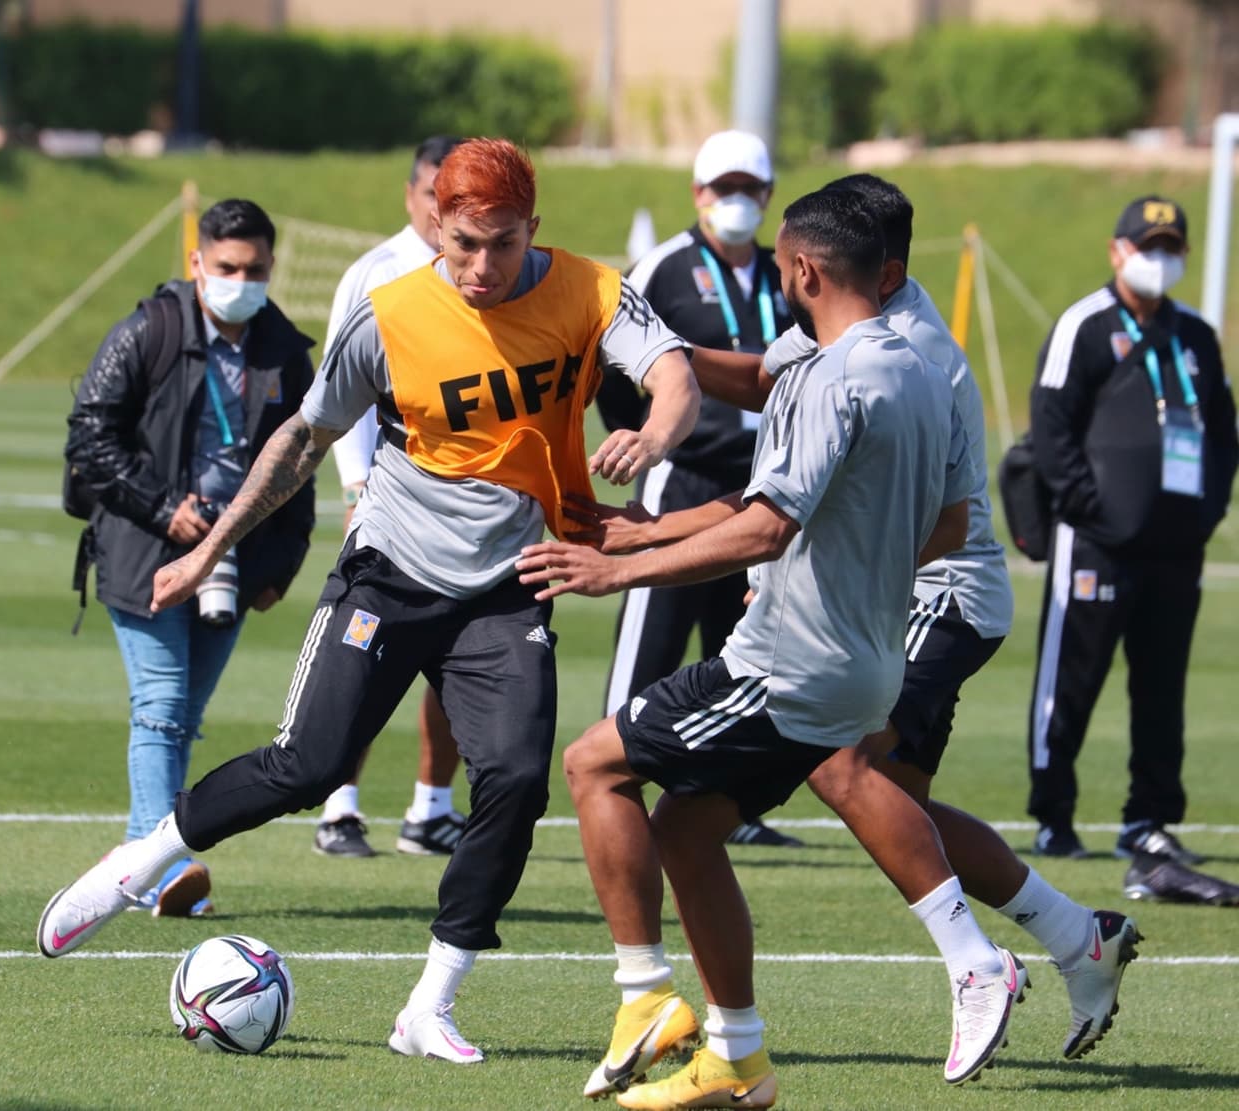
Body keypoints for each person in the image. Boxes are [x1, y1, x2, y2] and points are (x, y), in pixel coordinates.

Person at [37, 138, 702, 1066]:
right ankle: (136, 864)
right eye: (464, 243)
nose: (480, 266)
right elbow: (303, 439)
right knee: (307, 765)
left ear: (533, 231)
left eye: (503, 245)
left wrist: (652, 433)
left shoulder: (590, 291)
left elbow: (676, 377)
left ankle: (430, 1004)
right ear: (436, 224)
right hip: (388, 570)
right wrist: (207, 554)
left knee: (513, 778)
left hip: (507, 583)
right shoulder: (388, 313)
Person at [519, 187, 1024, 1106]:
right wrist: (655, 534)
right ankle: (738, 1060)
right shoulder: (923, 362)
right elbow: (948, 518)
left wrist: (616, 571)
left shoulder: (835, 379)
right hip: (865, 662)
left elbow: (765, 530)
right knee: (684, 825)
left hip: (787, 663)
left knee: (593, 763)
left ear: (802, 271)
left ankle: (644, 1001)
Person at [692, 172, 1142, 1063]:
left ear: (876, 267)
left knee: (834, 759)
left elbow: (928, 529)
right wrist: (647, 354)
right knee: (897, 802)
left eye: (802, 260)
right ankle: (1079, 937)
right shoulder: (865, 311)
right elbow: (756, 375)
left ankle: (976, 964)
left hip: (937, 590)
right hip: (915, 589)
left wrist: (807, 582)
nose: (791, 275)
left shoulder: (906, 351)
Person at [62, 198, 316, 919]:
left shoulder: (283, 349)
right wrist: (160, 505)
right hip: (143, 544)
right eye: (227, 266)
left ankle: (150, 855)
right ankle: (156, 864)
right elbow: (89, 435)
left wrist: (282, 561)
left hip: (234, 558)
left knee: (184, 714)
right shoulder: (150, 329)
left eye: (256, 268)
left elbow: (303, 460)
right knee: (163, 707)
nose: (242, 279)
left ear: (271, 267)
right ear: (197, 262)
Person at [597, 128, 800, 849]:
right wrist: (647, 441)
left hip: (764, 486)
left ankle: (726, 805)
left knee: (740, 645)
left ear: (768, 195)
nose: (736, 202)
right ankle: (611, 790)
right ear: (697, 193)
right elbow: (613, 367)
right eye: (724, 189)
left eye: (749, 189)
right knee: (649, 641)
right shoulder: (665, 266)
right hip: (680, 478)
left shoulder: (789, 270)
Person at [1027, 196, 1237, 862]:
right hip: (1097, 542)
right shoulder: (1084, 326)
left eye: (1171, 247)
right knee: (1071, 681)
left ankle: (1148, 818)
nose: (1159, 259)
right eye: (1148, 246)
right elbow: (1050, 429)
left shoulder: (1196, 335)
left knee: (1162, 689)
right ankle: (1053, 814)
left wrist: (1208, 509)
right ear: (1117, 251)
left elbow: (1223, 434)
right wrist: (1091, 508)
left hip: (1175, 549)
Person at [314, 135, 469, 859]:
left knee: (458, 659)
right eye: (437, 191)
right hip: (390, 503)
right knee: (366, 648)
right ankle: (338, 805)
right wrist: (355, 484)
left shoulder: (487, 273)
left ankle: (431, 809)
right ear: (412, 195)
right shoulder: (378, 271)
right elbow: (340, 391)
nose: (448, 207)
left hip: (471, 510)